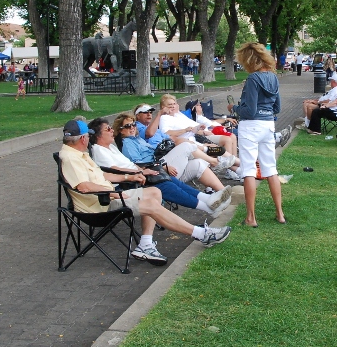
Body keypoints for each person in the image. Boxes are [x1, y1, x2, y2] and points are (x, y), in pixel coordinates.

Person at [59, 119, 231, 265]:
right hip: (100, 206)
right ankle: (202, 234)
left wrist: (129, 177)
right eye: (88, 136)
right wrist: (113, 193)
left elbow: (102, 174)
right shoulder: (71, 158)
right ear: (82, 138)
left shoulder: (79, 153)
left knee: (155, 191)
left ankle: (145, 245)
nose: (89, 139)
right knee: (150, 201)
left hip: (107, 195)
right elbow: (84, 187)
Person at [88, 117, 232, 218]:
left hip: (140, 174)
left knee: (171, 175)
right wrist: (140, 171)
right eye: (108, 129)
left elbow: (130, 164)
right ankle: (207, 204)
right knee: (164, 181)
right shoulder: (99, 150)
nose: (111, 131)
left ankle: (208, 198)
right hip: (128, 183)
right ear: (98, 135)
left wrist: (148, 168)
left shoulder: (110, 148)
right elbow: (113, 170)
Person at [231, 42, 284, 227]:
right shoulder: (273, 77)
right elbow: (278, 107)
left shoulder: (253, 79)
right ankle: (280, 213)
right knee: (270, 169)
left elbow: (250, 111)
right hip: (268, 125)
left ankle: (251, 217)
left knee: (249, 170)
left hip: (251, 127)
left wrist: (235, 108)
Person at [114, 113, 232, 191]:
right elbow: (138, 165)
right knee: (185, 145)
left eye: (133, 124)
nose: (132, 127)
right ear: (120, 131)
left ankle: (223, 192)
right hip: (156, 173)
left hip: (163, 167)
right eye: (127, 126)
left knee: (198, 164)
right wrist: (163, 166)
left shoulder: (138, 139)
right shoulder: (128, 143)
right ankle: (215, 162)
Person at [158, 93, 238, 159]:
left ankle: (236, 166)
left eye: (174, 104)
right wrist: (191, 130)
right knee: (226, 140)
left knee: (229, 138)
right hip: (194, 140)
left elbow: (194, 128)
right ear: (163, 107)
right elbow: (166, 133)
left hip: (198, 137)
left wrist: (198, 128)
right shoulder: (164, 118)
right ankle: (236, 167)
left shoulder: (178, 115)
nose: (173, 106)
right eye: (170, 105)